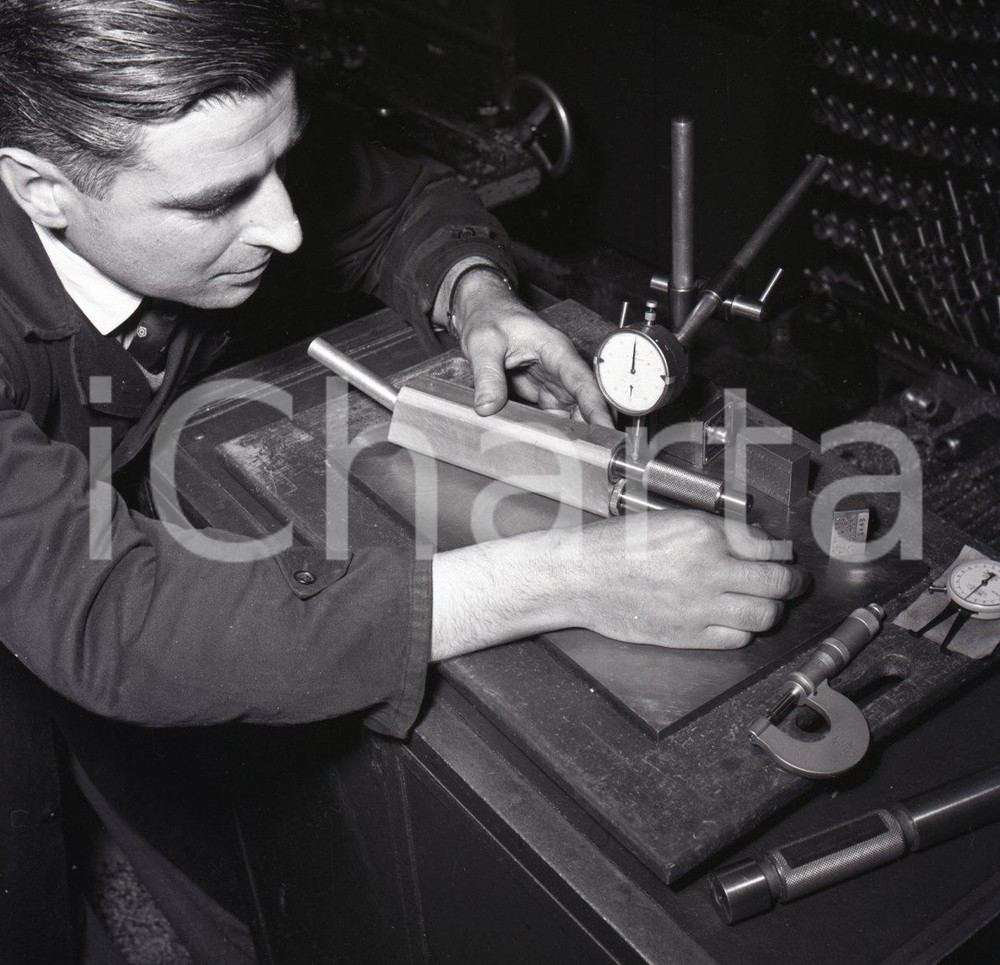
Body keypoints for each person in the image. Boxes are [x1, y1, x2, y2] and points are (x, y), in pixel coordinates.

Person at [0, 1, 808, 961]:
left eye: (280, 162)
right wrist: (567, 576)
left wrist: (478, 293)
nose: (289, 229)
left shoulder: (210, 158)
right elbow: (116, 622)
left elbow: (397, 203)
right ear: (40, 189)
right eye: (217, 202)